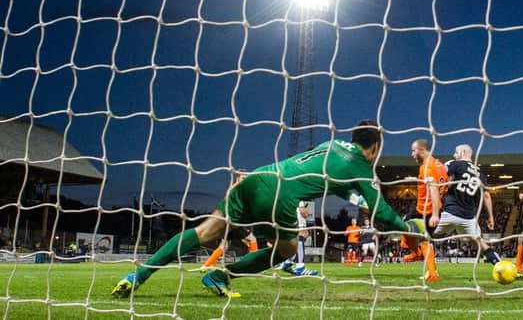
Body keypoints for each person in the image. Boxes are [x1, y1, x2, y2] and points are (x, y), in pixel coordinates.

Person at [111, 120, 424, 298]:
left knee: (204, 231)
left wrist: (351, 194)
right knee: (287, 248)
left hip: (256, 177)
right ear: (374, 148)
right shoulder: (364, 169)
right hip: (278, 197)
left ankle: (136, 276)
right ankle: (222, 275)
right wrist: (412, 229)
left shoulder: (330, 144)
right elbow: (383, 215)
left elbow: (330, 177)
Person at [432, 144, 501, 266]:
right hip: (468, 218)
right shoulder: (481, 174)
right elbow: (486, 196)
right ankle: (500, 265)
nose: (454, 155)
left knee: (424, 233)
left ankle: (430, 269)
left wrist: (438, 188)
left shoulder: (455, 164)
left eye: (456, 152)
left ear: (463, 152)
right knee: (481, 243)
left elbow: (440, 174)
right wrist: (491, 217)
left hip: (449, 212)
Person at [400, 139, 448, 281]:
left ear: (422, 150)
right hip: (421, 208)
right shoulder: (439, 165)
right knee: (401, 226)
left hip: (427, 211)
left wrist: (434, 214)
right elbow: (441, 184)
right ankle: (417, 253)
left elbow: (433, 187)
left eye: (413, 151)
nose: (412, 154)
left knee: (423, 239)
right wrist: (417, 179)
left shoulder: (426, 167)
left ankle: (432, 274)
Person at [280, 201, 318, 276]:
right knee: (299, 243)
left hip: (290, 224)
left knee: (296, 245)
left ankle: (287, 263)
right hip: (298, 226)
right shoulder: (299, 200)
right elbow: (304, 213)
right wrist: (305, 209)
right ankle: (300, 268)